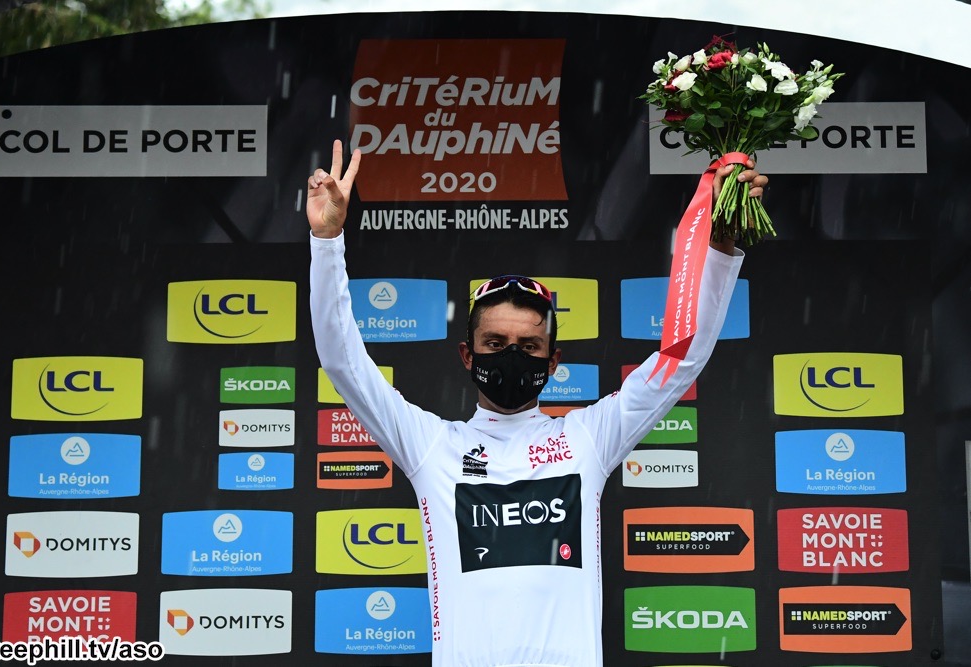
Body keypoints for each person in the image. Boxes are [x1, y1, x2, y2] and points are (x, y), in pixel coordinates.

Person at [308, 139, 767, 667]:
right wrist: (327, 242)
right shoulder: (431, 446)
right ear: (467, 355)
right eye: (495, 344)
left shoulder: (587, 439)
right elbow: (343, 362)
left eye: (528, 347)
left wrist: (720, 248)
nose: (511, 356)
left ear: (553, 362)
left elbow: (681, 358)